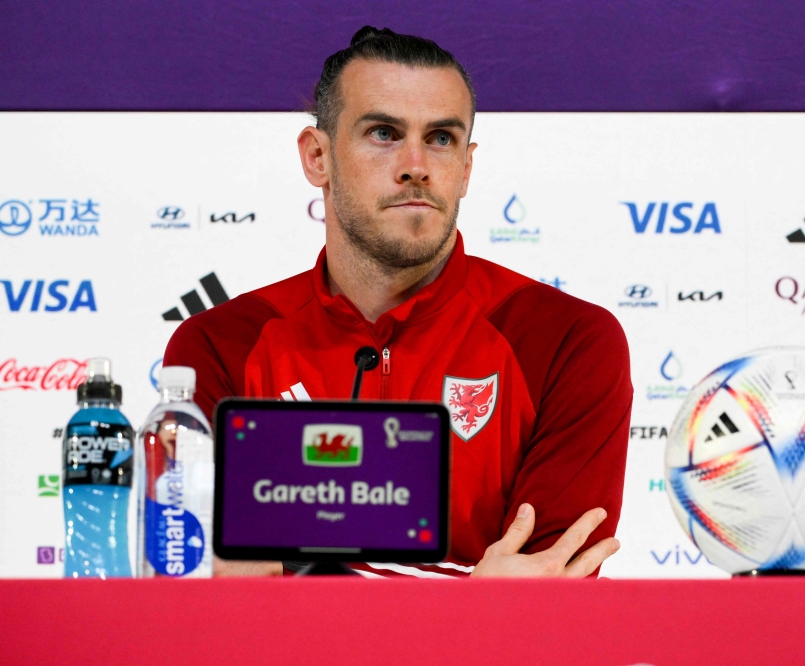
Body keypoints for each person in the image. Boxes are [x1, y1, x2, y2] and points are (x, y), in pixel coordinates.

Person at [164, 26, 632, 578]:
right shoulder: (221, 345)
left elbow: (547, 604)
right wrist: (471, 596)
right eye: (384, 133)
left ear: (466, 168)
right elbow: (205, 588)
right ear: (318, 156)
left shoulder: (565, 339)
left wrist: (300, 571)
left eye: (441, 138)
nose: (417, 164)